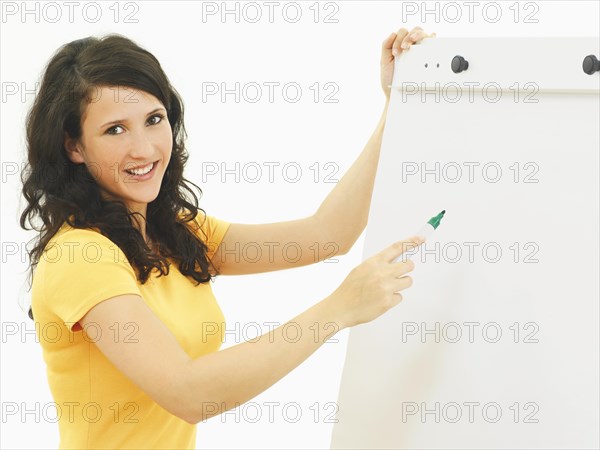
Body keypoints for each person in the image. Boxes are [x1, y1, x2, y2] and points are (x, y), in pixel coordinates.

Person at [20, 28, 434, 449]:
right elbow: (189, 393)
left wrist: (396, 105)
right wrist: (339, 308)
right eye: (115, 130)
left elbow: (327, 235)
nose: (144, 149)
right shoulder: (80, 257)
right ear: (74, 146)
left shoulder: (175, 233)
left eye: (153, 119)